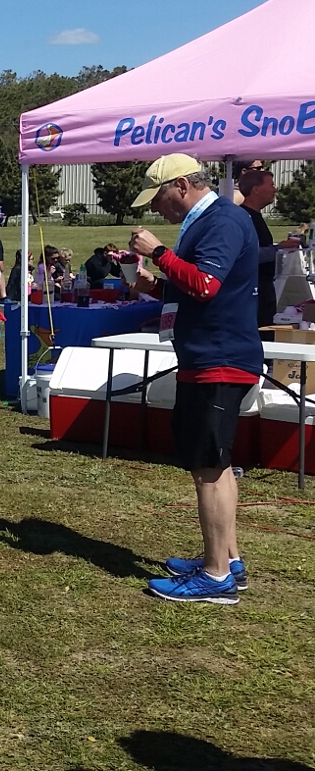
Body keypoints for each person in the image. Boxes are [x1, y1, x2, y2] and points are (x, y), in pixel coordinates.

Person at [125, 154, 262, 604]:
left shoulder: (222, 220)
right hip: (211, 356)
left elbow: (205, 285)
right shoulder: (211, 220)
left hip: (219, 358)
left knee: (208, 469)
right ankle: (227, 559)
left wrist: (159, 253)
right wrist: (155, 284)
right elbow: (196, 287)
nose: (156, 208)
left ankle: (216, 576)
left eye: (159, 198)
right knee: (216, 464)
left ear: (182, 185)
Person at [237, 160, 301, 329]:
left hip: (263, 289)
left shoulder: (254, 216)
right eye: (271, 185)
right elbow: (248, 253)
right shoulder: (244, 218)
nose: (275, 189)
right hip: (252, 292)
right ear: (256, 189)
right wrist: (279, 248)